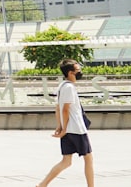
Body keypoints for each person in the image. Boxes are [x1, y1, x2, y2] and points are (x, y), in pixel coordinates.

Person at [36, 59, 94, 187]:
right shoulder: (69, 88)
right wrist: (63, 129)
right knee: (88, 158)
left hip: (68, 129)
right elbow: (65, 109)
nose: (80, 73)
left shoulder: (62, 86)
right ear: (70, 73)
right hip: (76, 129)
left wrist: (60, 126)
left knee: (66, 161)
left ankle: (42, 185)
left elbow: (58, 108)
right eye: (77, 70)